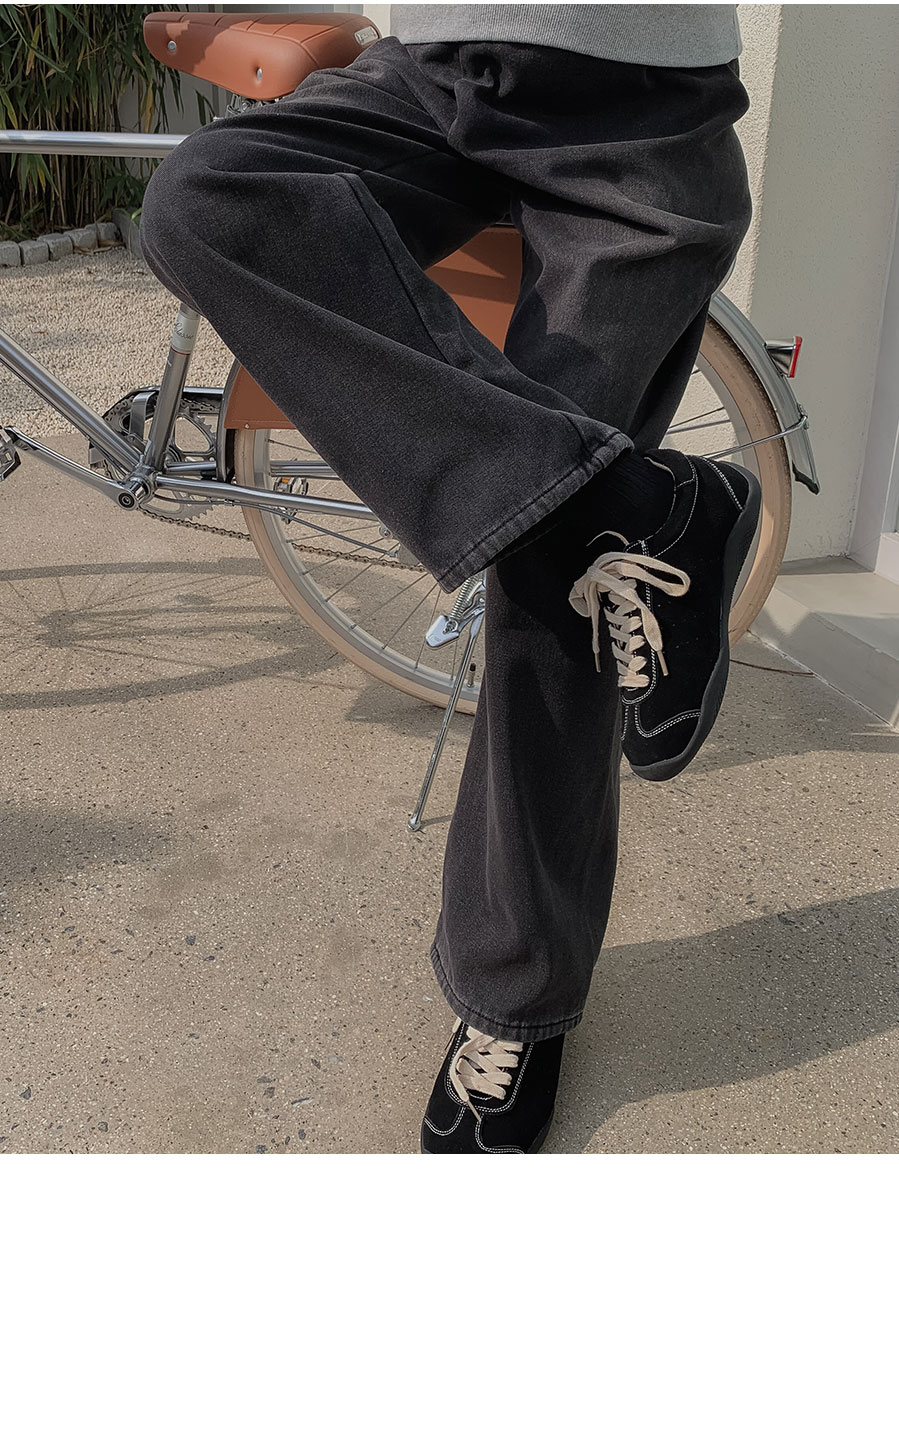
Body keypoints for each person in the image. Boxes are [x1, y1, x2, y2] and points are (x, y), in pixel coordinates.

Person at [140, 4, 757, 1154]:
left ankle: (514, 999)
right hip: (429, 75)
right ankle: (636, 508)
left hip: (637, 111)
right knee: (204, 200)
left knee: (548, 597)